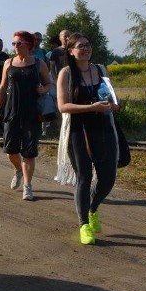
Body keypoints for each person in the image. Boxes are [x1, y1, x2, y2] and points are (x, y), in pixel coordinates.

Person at [56, 33, 120, 245]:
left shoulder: (101, 70)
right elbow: (63, 106)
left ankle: (93, 209)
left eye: (87, 45)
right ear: (71, 51)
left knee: (108, 177)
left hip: (104, 128)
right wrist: (90, 107)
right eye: (80, 46)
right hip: (78, 130)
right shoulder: (66, 73)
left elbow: (113, 100)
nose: (85, 48)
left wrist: (112, 106)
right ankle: (84, 224)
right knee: (84, 177)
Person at [0, 31, 52, 201]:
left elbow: (49, 84)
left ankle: (27, 186)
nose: (16, 46)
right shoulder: (8, 63)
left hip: (32, 113)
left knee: (29, 152)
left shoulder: (39, 64)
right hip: (11, 111)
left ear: (29, 45)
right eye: (14, 44)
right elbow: (2, 88)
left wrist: (44, 89)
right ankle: (18, 170)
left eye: (19, 43)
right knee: (10, 151)